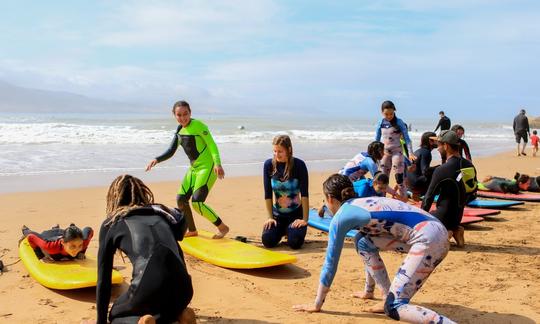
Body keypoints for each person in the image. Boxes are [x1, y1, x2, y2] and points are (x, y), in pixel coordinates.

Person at [294, 174, 455, 324]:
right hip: (437, 231)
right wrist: (368, 291)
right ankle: (383, 295)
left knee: (394, 307)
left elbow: (330, 263)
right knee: (363, 241)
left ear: (329, 198)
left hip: (429, 240)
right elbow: (367, 248)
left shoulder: (341, 217)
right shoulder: (362, 202)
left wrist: (317, 304)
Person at [96, 175, 194, 324]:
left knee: (115, 314)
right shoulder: (162, 215)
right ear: (142, 192)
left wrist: (101, 322)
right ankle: (181, 314)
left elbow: (104, 279)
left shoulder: (112, 222)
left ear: (113, 198)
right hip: (184, 290)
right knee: (162, 305)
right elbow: (178, 249)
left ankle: (140, 322)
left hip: (149, 287)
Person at [146, 100, 229, 239]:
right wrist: (157, 159)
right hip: (194, 168)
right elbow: (171, 150)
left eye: (186, 114)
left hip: (207, 168)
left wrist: (217, 164)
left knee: (197, 203)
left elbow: (211, 144)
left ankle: (222, 227)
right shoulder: (179, 130)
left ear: (190, 113)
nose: (183, 117)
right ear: (174, 115)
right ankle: (192, 230)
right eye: (179, 115)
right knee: (181, 199)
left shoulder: (199, 125)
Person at [422, 130, 477, 248]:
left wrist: (420, 220)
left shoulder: (442, 170)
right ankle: (455, 229)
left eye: (439, 145)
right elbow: (473, 192)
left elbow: (428, 197)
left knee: (423, 232)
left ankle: (447, 232)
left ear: (446, 146)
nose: (437, 148)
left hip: (443, 216)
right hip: (458, 217)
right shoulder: (469, 165)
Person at [262, 135, 309, 250]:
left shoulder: (299, 165)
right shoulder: (269, 165)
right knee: (267, 240)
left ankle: (290, 231)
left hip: (295, 215)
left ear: (289, 150)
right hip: (277, 216)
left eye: (280, 151)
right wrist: (270, 217)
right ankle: (283, 230)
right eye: (274, 151)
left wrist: (304, 220)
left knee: (295, 242)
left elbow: (304, 195)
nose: (276, 155)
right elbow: (267, 195)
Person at [375, 100, 415, 200]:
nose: (389, 116)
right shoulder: (381, 122)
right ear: (381, 112)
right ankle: (382, 199)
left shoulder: (399, 122)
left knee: (399, 178)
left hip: (397, 152)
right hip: (385, 153)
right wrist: (374, 154)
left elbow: (407, 139)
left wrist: (410, 153)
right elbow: (376, 140)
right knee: (382, 179)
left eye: (391, 113)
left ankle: (403, 199)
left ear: (394, 111)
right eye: (386, 114)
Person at [21, 224, 93, 261]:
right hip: (49, 235)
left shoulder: (82, 242)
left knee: (70, 236)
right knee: (29, 233)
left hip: (62, 232)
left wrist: (82, 252)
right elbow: (31, 237)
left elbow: (89, 230)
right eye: (73, 246)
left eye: (79, 246)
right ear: (62, 243)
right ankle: (25, 229)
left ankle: (57, 227)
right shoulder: (50, 246)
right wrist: (40, 256)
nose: (77, 250)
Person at [406, 131, 438, 199]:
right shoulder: (426, 153)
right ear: (430, 141)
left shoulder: (419, 151)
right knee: (439, 173)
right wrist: (438, 167)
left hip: (409, 185)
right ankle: (429, 194)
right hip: (416, 184)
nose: (438, 141)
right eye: (436, 140)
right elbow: (425, 171)